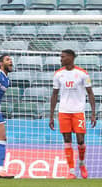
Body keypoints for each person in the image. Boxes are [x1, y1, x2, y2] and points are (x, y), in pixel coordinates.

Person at [49, 49, 96, 179]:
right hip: (64, 111)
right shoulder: (58, 74)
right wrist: (51, 115)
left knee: (80, 141)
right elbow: (54, 95)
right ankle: (71, 171)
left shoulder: (82, 74)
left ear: (70, 57)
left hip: (78, 112)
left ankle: (81, 163)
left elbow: (90, 93)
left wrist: (93, 113)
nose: (61, 59)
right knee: (67, 140)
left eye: (63, 57)